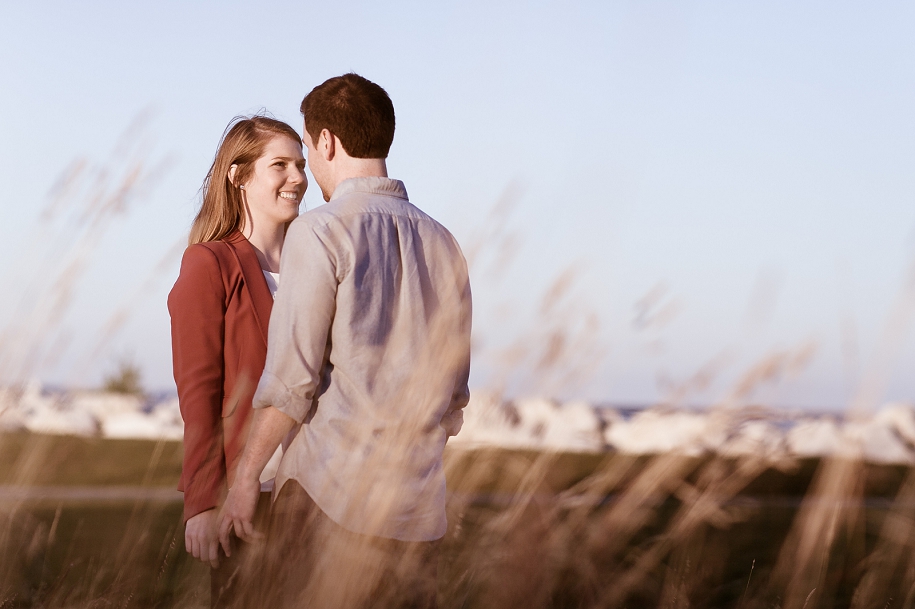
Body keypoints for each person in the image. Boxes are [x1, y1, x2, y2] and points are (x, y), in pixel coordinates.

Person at [218, 73, 472, 608]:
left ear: (327, 140)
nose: (308, 168)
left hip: (326, 506)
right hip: (417, 516)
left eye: (307, 151)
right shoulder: (445, 244)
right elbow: (453, 398)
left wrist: (244, 478)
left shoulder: (319, 231)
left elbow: (292, 382)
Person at [167, 115, 307, 608]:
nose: (298, 178)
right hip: (247, 500)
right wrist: (202, 501)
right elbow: (198, 394)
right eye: (281, 165)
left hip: (317, 499)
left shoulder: (315, 263)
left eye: (302, 164)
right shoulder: (209, 264)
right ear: (239, 175)